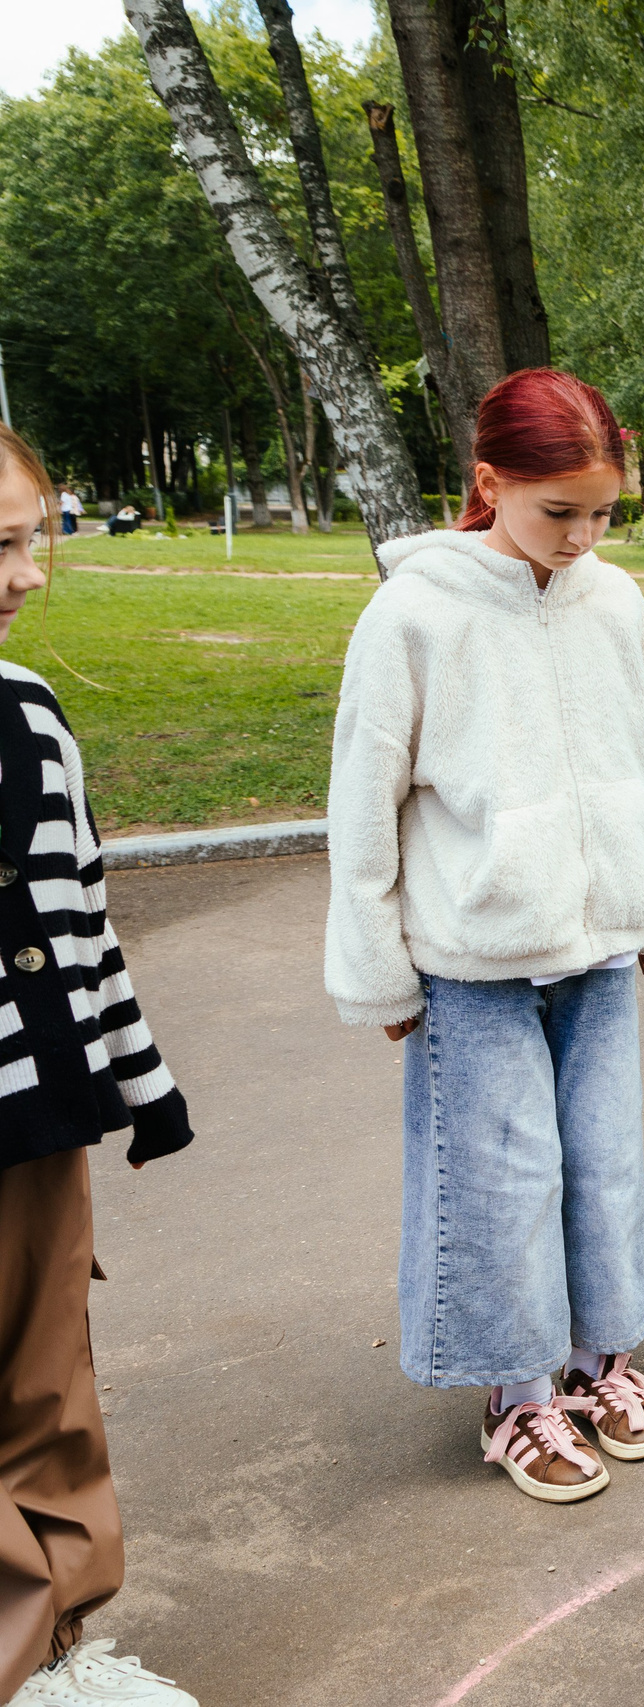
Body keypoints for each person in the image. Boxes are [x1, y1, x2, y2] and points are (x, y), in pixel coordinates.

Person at [324, 369, 644, 1505]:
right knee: (501, 1176)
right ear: (489, 484)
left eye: (602, 515)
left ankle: (596, 1361)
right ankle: (514, 1389)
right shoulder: (413, 615)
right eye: (558, 512)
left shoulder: (616, 604)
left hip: (595, 951)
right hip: (471, 963)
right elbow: (363, 803)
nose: (582, 538)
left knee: (602, 1160)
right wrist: (378, 968)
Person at [0, 426, 199, 1706]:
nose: (23, 574)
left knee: (46, 1383)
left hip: (35, 1116)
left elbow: (81, 912)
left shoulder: (31, 711)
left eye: (31, 541)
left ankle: (58, 1648)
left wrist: (138, 1075)